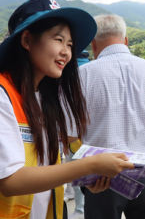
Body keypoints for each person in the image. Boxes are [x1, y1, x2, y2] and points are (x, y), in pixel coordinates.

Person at [0, 0, 135, 219]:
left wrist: (87, 179)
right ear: (27, 40)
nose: (66, 51)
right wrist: (89, 166)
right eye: (58, 39)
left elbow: (42, 167)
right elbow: (8, 181)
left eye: (70, 44)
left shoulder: (43, 99)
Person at [69, 14, 145, 219]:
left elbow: (68, 135)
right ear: (126, 40)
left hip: (101, 172)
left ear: (93, 45)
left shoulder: (82, 75)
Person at [64, 49, 90, 219]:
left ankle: (80, 209)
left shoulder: (68, 78)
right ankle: (81, 207)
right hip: (90, 139)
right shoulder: (91, 74)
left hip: (74, 140)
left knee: (77, 175)